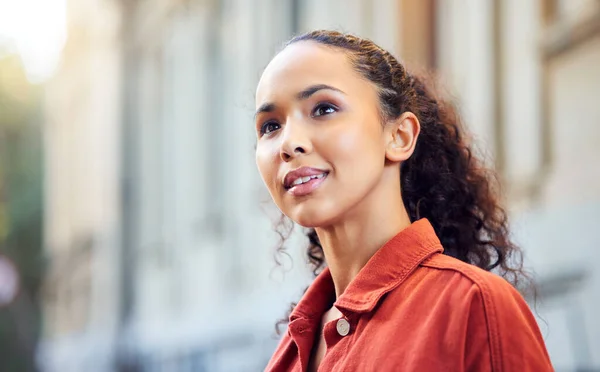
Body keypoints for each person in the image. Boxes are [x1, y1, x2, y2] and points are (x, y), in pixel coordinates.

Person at [254, 30, 553, 372]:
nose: (289, 143)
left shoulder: (474, 305)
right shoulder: (293, 348)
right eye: (270, 126)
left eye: (323, 108)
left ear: (399, 136)